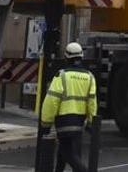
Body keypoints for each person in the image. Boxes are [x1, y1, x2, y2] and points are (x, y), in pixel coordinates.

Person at [40, 42, 97, 172]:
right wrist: (91, 121)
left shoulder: (62, 75)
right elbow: (92, 102)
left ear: (66, 57)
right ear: (81, 57)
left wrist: (46, 123)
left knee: (68, 153)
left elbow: (51, 100)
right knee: (65, 151)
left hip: (64, 120)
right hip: (79, 121)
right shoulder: (89, 77)